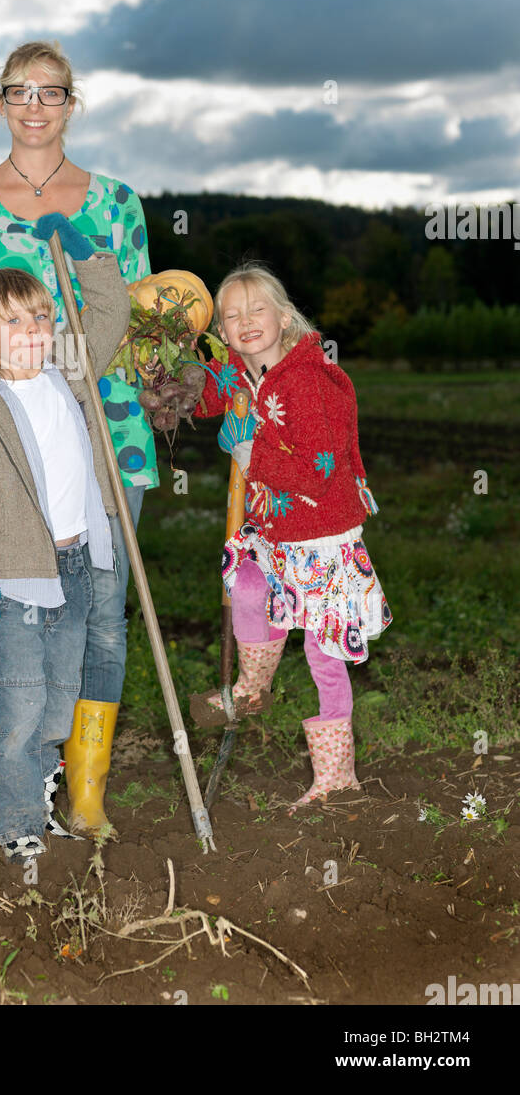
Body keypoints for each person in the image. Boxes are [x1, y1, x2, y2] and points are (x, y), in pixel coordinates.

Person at [0, 41, 155, 835]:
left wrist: (72, 353)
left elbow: (128, 317)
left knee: (99, 619)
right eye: (19, 92)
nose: (34, 105)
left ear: (70, 102)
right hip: (5, 439)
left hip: (101, 432)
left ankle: (81, 789)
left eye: (50, 92)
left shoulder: (116, 202)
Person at [0, 213, 130, 860]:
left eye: (41, 317)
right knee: (21, 710)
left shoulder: (66, 377)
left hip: (73, 565)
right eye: (14, 321)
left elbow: (107, 314)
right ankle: (16, 824)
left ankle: (33, 783)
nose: (34, 331)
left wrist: (88, 260)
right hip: (15, 574)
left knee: (59, 704)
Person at [196, 264, 391, 811]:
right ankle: (252, 687)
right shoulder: (239, 370)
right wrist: (171, 371)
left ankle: (336, 777)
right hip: (274, 529)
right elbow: (203, 397)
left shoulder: (307, 380)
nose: (244, 321)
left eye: (257, 309)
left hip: (323, 533)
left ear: (283, 317)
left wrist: (252, 457)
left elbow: (319, 472)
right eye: (231, 315)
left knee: (324, 655)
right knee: (248, 583)